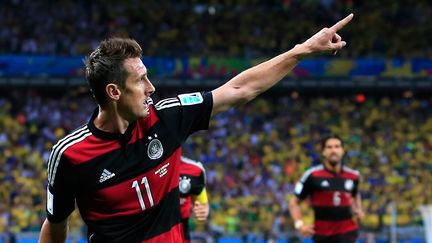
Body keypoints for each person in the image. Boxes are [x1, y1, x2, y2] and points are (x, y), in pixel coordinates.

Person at [39, 13, 354, 243]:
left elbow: (240, 89)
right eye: (140, 80)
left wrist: (301, 50)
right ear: (114, 92)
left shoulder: (167, 118)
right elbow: (55, 225)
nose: (151, 87)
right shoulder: (70, 155)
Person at [289, 135, 364, 243]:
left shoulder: (353, 176)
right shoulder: (312, 175)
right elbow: (294, 202)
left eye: (337, 146)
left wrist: (359, 210)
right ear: (323, 152)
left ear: (343, 150)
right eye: (329, 147)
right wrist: (300, 225)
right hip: (322, 235)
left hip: (347, 233)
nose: (333, 150)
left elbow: (355, 194)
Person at [178, 153, 209, 242]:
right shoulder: (143, 167)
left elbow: (203, 205)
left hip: (182, 232)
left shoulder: (196, 170)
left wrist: (202, 212)